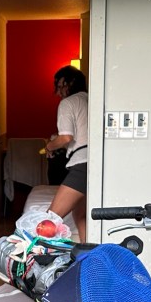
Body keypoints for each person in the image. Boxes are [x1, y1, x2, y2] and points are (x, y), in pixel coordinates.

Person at [43, 66, 89, 241]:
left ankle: (36, 256)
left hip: (81, 165)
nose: (59, 91)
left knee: (50, 220)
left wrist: (49, 146)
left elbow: (66, 137)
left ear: (71, 83)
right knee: (81, 217)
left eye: (61, 86)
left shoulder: (68, 103)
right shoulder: (91, 99)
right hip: (95, 162)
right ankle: (88, 254)